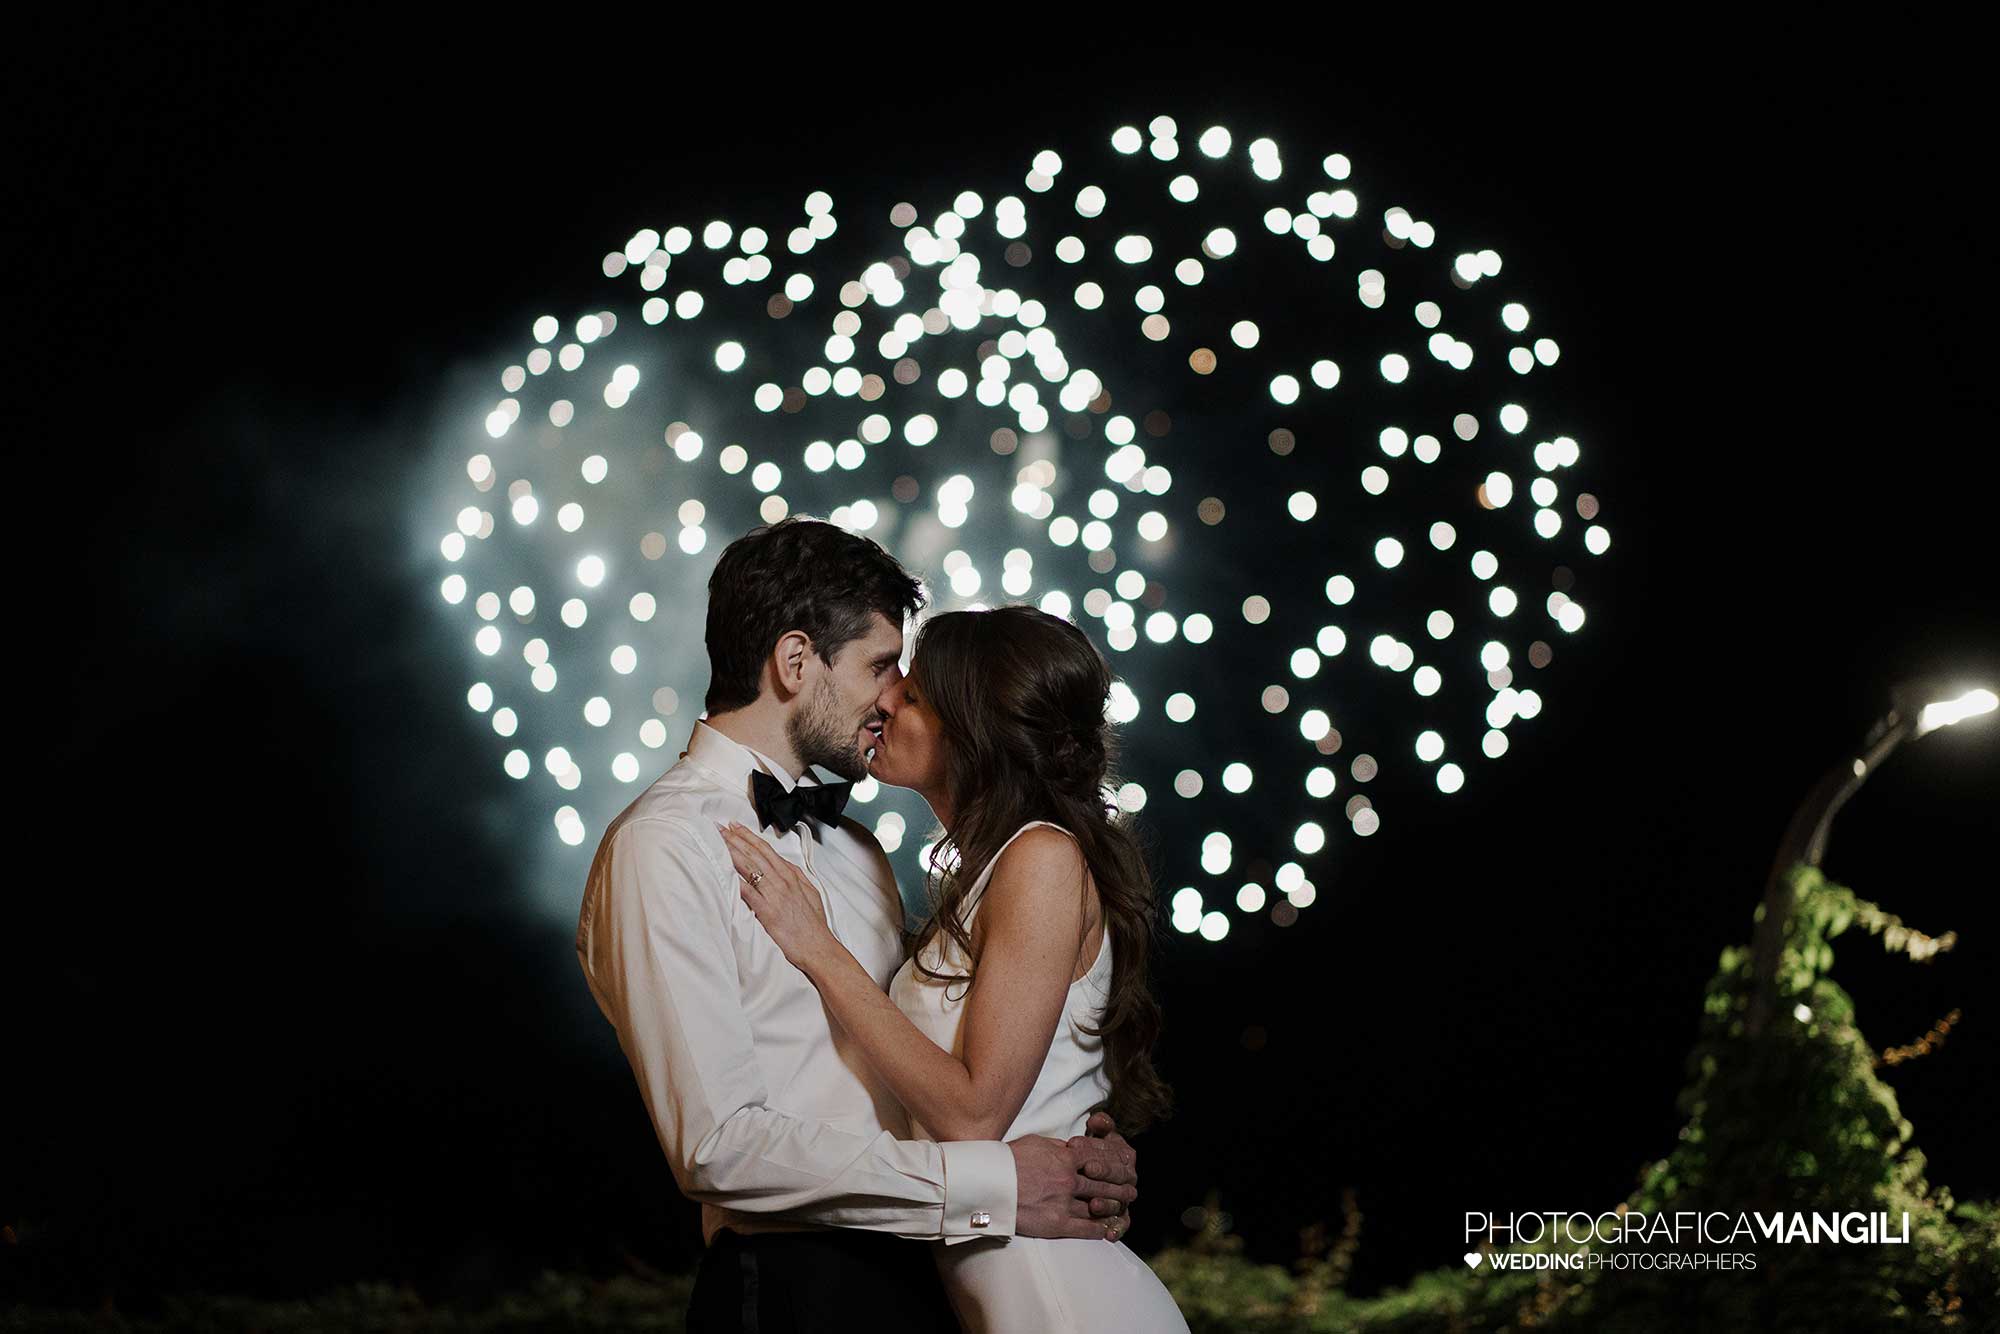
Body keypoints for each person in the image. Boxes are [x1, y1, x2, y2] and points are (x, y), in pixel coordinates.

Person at [575, 518, 1141, 1334]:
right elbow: (717, 1147)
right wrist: (997, 1184)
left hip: (941, 1274)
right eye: (881, 666)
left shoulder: (859, 850)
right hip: (798, 1288)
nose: (893, 697)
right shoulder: (665, 846)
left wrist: (1072, 1140)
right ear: (796, 661)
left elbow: (937, 1058)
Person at [719, 604, 1190, 1333]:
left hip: (1057, 1293)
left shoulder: (1041, 857)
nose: (884, 702)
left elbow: (974, 1114)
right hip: (995, 1287)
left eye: (912, 696)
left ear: (971, 728)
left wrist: (815, 946)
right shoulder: (991, 872)